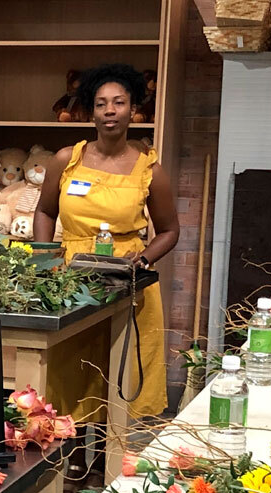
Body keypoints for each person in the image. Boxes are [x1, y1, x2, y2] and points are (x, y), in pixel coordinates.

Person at [32, 63, 179, 439]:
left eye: (118, 103)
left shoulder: (151, 169)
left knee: (118, 366)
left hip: (125, 280)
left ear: (133, 110)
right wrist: (44, 261)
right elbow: (45, 211)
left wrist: (143, 259)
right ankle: (70, 455)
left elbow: (169, 230)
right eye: (101, 104)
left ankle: (108, 456)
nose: (110, 111)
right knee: (72, 366)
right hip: (69, 278)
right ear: (90, 111)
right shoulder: (67, 159)